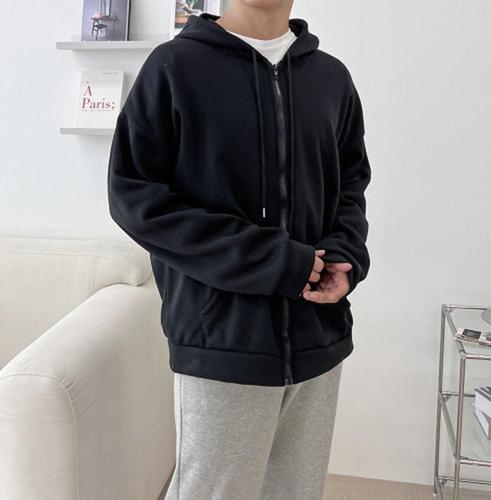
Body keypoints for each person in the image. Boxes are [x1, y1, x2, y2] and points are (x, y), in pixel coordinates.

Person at [107, 1, 371, 498]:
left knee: (295, 493)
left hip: (318, 337)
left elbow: (351, 185)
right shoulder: (174, 68)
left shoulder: (331, 78)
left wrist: (346, 255)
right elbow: (134, 197)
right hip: (221, 338)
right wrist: (275, 261)